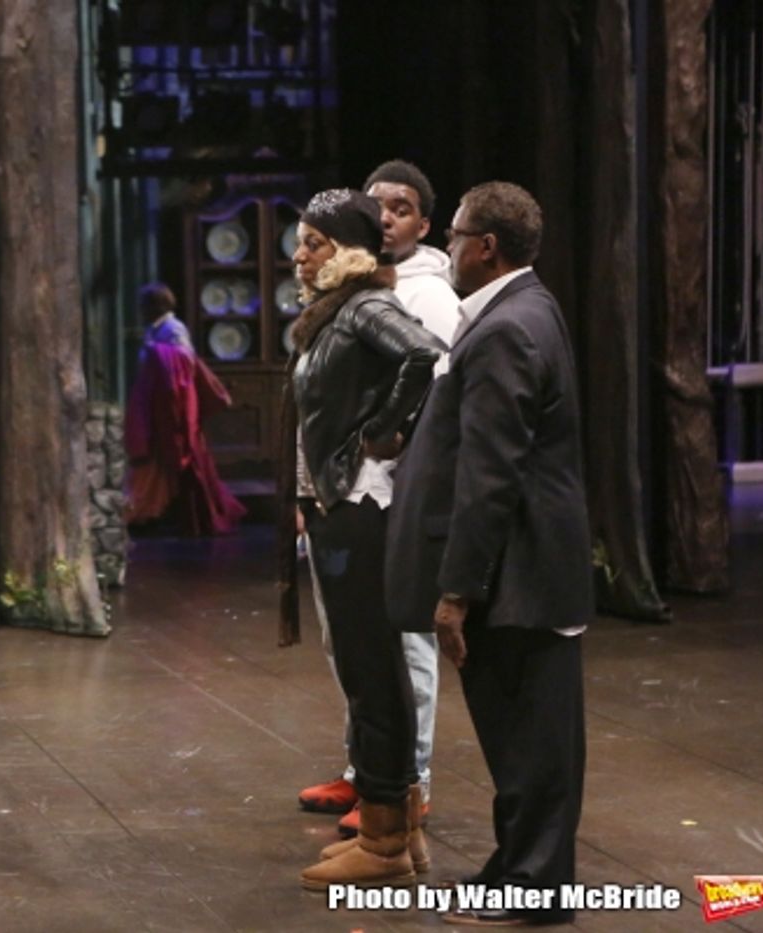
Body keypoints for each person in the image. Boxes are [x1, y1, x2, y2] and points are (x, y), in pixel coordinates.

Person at [386, 181, 591, 926]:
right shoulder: (521, 308)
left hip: (518, 576)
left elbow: (490, 472)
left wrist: (457, 588)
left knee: (533, 742)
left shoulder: (507, 326)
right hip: (520, 571)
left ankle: (535, 886)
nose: (447, 247)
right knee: (519, 739)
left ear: (485, 247)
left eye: (456, 233)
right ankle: (516, 867)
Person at [280, 189, 444, 889]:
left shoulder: (365, 306)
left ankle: (383, 841)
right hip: (337, 503)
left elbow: (425, 354)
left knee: (373, 669)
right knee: (367, 667)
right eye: (301, 240)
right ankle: (395, 827)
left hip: (359, 506)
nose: (300, 254)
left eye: (313, 242)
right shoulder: (334, 314)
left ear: (346, 251)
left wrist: (379, 433)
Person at [123, 282, 246, 535]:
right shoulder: (156, 330)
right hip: (158, 406)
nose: (141, 312)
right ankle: (153, 513)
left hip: (173, 408)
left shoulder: (173, 329)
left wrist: (155, 351)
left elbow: (183, 364)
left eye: (144, 306)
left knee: (185, 462)